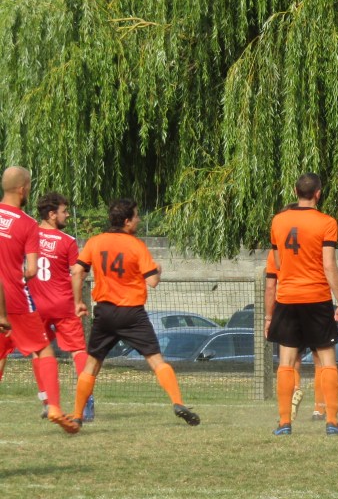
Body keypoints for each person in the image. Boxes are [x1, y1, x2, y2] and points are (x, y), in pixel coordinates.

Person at [70, 198, 199, 426]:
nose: (139, 220)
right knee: (156, 360)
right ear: (127, 221)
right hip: (132, 313)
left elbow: (78, 271)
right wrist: (157, 269)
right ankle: (178, 402)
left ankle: (78, 415)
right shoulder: (136, 245)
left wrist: (78, 301)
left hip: (105, 312)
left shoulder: (95, 242)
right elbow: (152, 282)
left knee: (92, 364)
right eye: (137, 216)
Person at [267, 174, 338, 436]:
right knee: (327, 361)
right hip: (317, 298)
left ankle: (283, 423)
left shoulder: (278, 221)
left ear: (295, 191)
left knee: (287, 362)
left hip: (287, 298)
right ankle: (332, 421)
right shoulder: (327, 223)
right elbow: (328, 264)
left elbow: (277, 263)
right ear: (318, 194)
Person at [0, 167, 78, 433]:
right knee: (43, 350)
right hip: (15, 298)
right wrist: (14, 274)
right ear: (23, 189)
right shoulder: (27, 224)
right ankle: (54, 406)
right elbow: (31, 270)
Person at [29, 192, 96, 422]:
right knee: (78, 350)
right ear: (51, 214)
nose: (67, 214)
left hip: (36, 305)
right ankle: (86, 403)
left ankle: (47, 402)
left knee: (39, 352)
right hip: (64, 304)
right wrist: (79, 301)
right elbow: (77, 273)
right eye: (64, 211)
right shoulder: (67, 241)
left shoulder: (29, 235)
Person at [262, 247, 327, 424]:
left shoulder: (275, 252)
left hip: (288, 305)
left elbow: (270, 287)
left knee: (290, 361)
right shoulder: (314, 249)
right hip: (315, 303)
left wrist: (269, 317)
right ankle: (319, 409)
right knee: (320, 360)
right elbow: (328, 269)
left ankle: (295, 389)